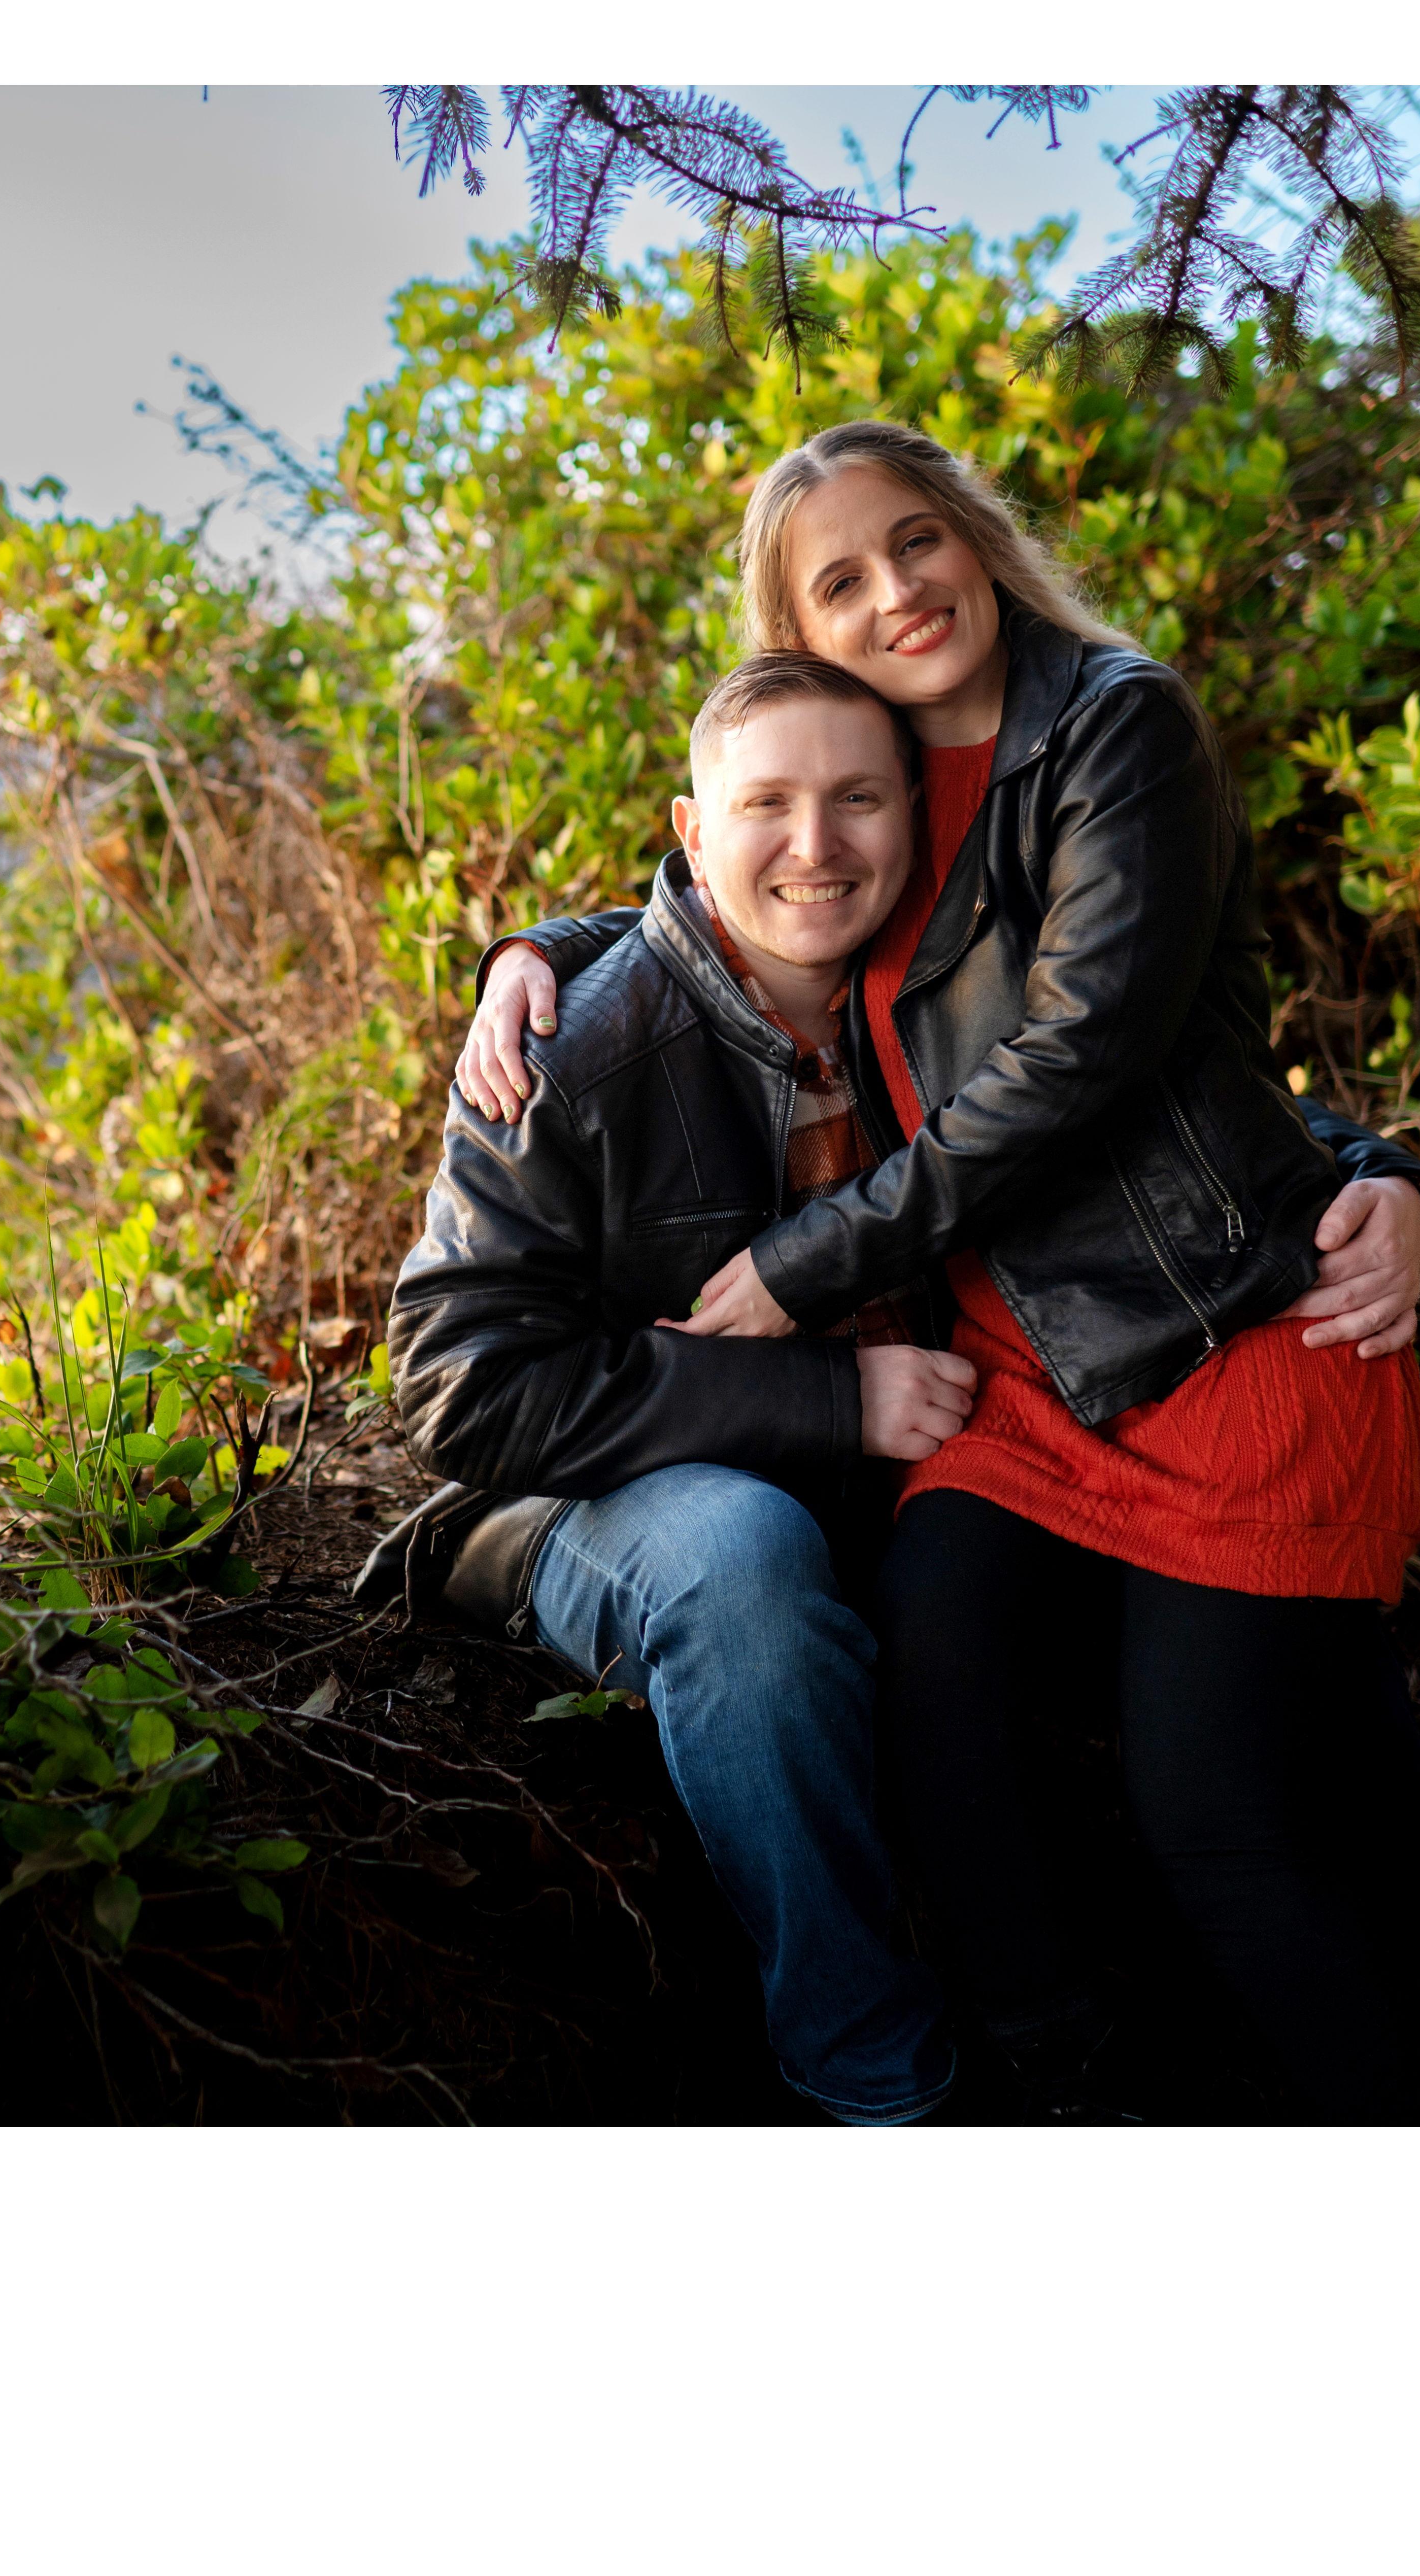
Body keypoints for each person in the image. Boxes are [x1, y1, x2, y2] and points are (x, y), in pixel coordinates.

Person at [455, 419, 1420, 2122]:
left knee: (1229, 1816)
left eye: (916, 542)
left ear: (976, 534)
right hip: (1024, 1389)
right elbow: (743, 868)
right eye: (840, 581)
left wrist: (1396, 1182)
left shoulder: (1111, 724)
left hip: (1216, 1336)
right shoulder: (876, 777)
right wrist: (534, 950)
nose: (898, 593)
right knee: (942, 1688)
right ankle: (1046, 2083)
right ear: (798, 639)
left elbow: (1097, 1052)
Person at [387, 650, 979, 2122]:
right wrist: (825, 1406)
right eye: (765, 803)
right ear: (692, 826)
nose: (815, 844)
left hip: (922, 1478)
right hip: (595, 1507)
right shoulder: (566, 1052)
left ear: (913, 814)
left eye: (856, 799)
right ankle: (876, 2086)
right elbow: (465, 1387)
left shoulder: (959, 994)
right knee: (742, 1565)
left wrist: (1378, 1178)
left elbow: (1158, 1092)